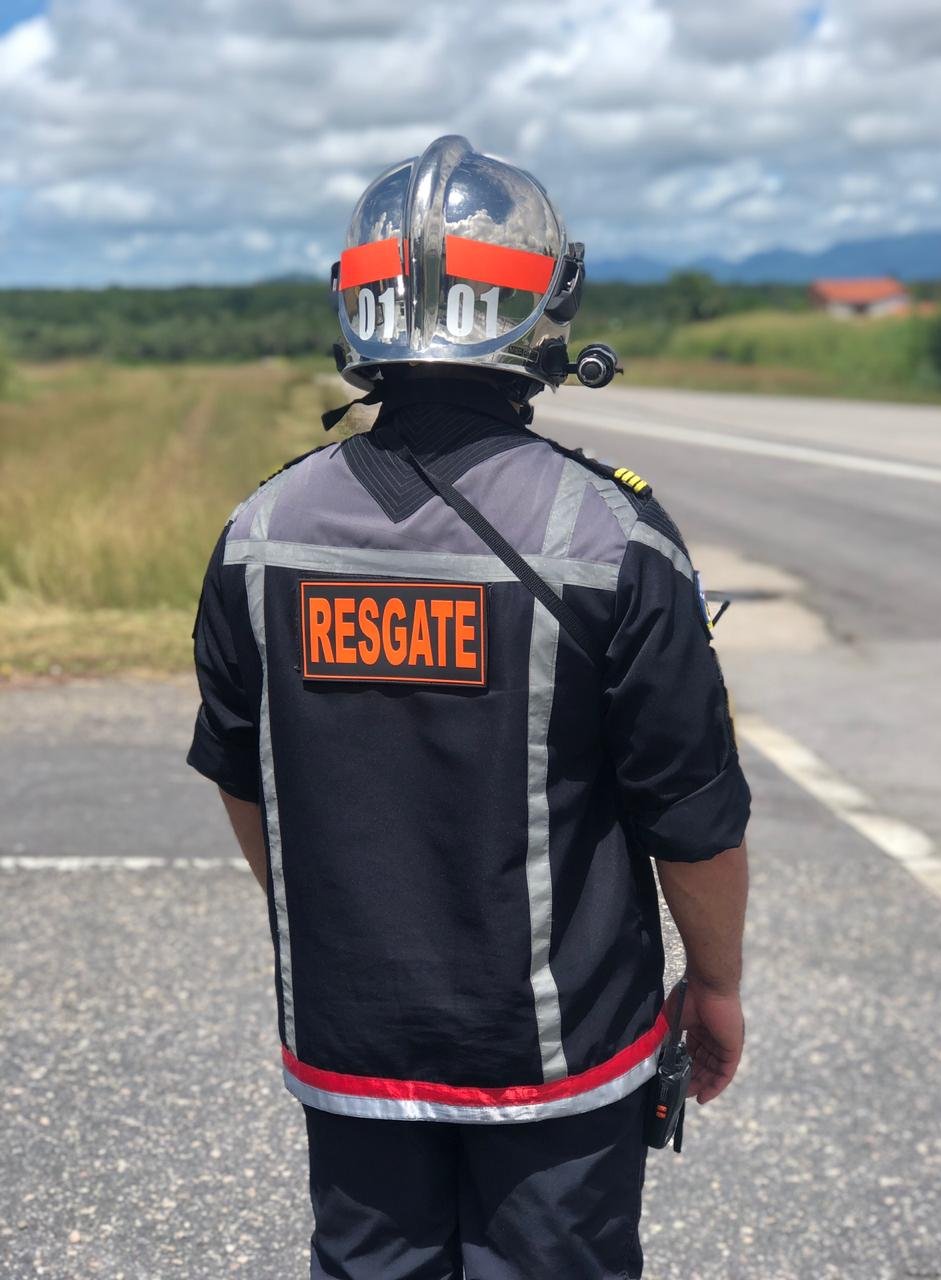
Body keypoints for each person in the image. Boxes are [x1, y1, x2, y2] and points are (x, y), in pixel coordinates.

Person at [187, 134, 750, 1279]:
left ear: (359, 308)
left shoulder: (259, 534)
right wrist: (718, 981)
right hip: (563, 1061)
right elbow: (693, 817)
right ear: (548, 306)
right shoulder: (610, 535)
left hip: (351, 1044)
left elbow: (246, 780)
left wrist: (350, 925)